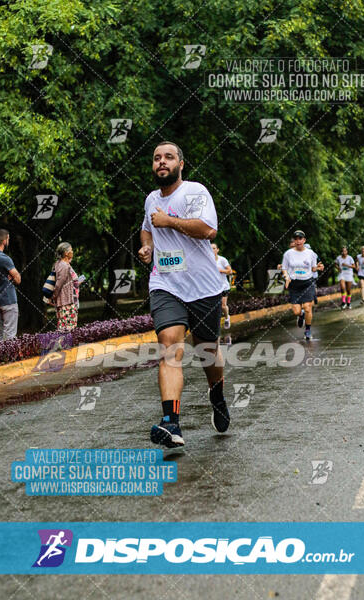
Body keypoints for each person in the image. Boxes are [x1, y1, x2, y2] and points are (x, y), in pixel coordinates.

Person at [138, 141, 229, 448]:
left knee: (207, 351)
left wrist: (170, 222)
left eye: (168, 157)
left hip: (203, 287)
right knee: (169, 346)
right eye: (156, 158)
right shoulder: (151, 199)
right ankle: (171, 423)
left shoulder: (195, 192)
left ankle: (216, 393)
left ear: (180, 164)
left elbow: (208, 230)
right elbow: (147, 228)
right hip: (166, 285)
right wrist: (148, 246)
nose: (161, 162)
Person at [281, 230, 324, 340]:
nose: (298, 241)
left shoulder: (311, 253)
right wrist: (286, 276)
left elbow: (313, 268)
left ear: (304, 240)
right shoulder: (288, 254)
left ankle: (308, 330)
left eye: (300, 239)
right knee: (296, 311)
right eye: (296, 239)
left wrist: (318, 268)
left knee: (308, 307)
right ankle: (301, 315)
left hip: (307, 283)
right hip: (294, 285)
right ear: (294, 241)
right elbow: (284, 268)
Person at [0, 229, 21, 340]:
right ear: (4, 240)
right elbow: (18, 279)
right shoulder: (4, 258)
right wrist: (12, 277)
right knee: (10, 335)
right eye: (8, 239)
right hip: (8, 300)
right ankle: (10, 357)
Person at [51, 242, 81, 331]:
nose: (72, 251)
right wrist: (54, 296)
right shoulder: (64, 266)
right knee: (68, 329)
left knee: (65, 328)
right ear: (66, 253)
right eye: (71, 250)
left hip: (66, 301)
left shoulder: (60, 264)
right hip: (66, 303)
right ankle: (64, 345)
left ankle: (64, 344)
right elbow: (59, 284)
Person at [210, 242, 232, 329]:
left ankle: (227, 318)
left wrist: (220, 270)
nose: (212, 250)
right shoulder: (208, 261)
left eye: (214, 248)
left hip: (224, 287)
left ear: (217, 250)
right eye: (210, 248)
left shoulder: (222, 260)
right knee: (214, 307)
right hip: (213, 287)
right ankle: (216, 324)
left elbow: (229, 271)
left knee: (223, 306)